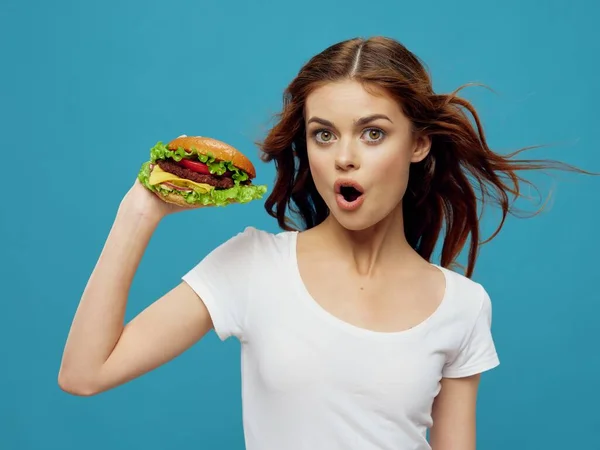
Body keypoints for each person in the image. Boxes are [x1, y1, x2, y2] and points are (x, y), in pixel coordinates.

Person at [58, 36, 587, 449]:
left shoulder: (464, 307)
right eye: (323, 134)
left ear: (419, 143)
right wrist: (140, 208)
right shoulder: (252, 265)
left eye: (373, 133)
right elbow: (85, 374)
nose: (344, 157)